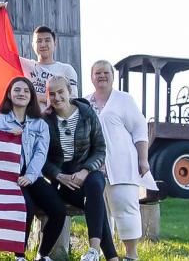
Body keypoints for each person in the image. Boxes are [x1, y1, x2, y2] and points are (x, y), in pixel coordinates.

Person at [0, 77, 64, 261]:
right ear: (9, 94)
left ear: (31, 97)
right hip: (9, 178)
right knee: (26, 208)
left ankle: (42, 254)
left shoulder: (40, 124)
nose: (21, 94)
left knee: (58, 210)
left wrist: (30, 176)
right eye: (17, 90)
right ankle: (19, 255)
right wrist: (7, 136)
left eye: (26, 91)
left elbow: (41, 152)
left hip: (33, 176)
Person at [43, 76, 118, 261]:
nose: (57, 97)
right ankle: (111, 257)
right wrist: (59, 175)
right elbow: (42, 159)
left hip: (90, 172)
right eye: (52, 94)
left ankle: (93, 250)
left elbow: (100, 149)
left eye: (61, 92)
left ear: (69, 92)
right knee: (94, 203)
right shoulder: (46, 121)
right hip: (64, 180)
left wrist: (85, 170)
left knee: (94, 187)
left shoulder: (86, 113)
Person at [86, 60, 150, 261]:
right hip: (95, 167)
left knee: (125, 208)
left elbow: (139, 129)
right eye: (98, 73)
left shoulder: (124, 100)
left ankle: (132, 255)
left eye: (106, 72)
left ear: (112, 76)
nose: (102, 76)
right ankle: (110, 256)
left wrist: (144, 159)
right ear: (92, 77)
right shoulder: (85, 102)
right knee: (101, 214)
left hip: (122, 164)